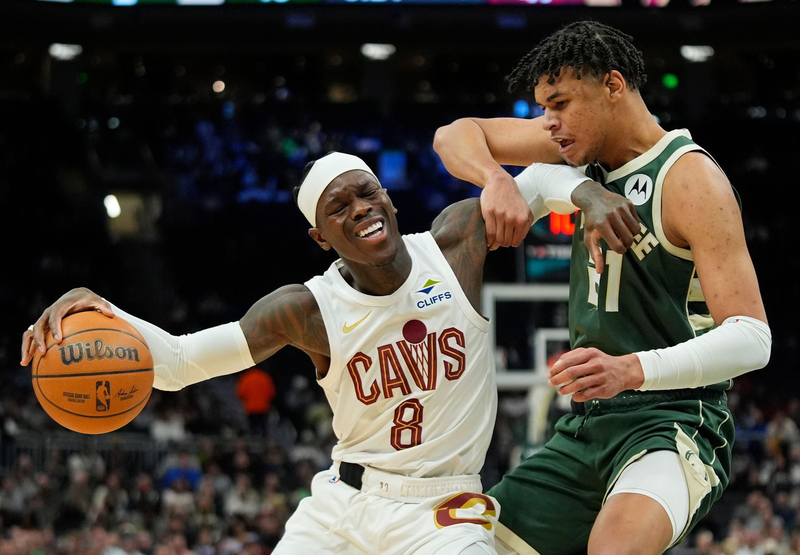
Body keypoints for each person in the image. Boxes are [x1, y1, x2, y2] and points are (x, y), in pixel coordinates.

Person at [21, 151, 636, 555]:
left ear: (389, 200)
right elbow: (181, 363)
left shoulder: (454, 244)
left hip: (443, 509)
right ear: (320, 237)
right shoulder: (304, 308)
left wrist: (587, 195)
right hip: (343, 505)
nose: (359, 210)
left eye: (366, 195)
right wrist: (103, 307)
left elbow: (534, 181)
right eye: (337, 209)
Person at [433, 20, 772, 555]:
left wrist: (630, 369)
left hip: (674, 420)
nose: (550, 123)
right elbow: (453, 134)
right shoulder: (575, 157)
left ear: (613, 86)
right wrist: (496, 178)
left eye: (561, 103)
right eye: (544, 108)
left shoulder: (688, 177)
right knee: (458, 546)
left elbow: (754, 338)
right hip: (588, 426)